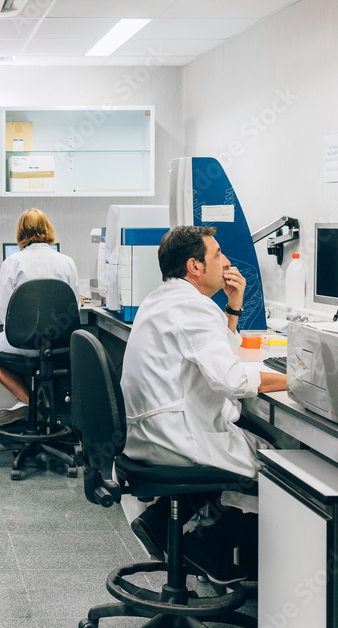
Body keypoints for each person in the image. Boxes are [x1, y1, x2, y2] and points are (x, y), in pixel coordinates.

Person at [120, 225, 287, 585]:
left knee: (244, 439)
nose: (226, 262)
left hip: (149, 434)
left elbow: (214, 351)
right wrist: (299, 380)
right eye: (218, 254)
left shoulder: (163, 299)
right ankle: (207, 543)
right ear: (194, 266)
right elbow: (232, 379)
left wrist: (233, 307)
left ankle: (161, 520)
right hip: (177, 438)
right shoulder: (193, 306)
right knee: (281, 471)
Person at [0, 209, 79, 426]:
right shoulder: (67, 262)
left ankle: (28, 401)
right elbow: (76, 308)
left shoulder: (12, 262)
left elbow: (4, 312)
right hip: (60, 345)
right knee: (37, 357)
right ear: (48, 230)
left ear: (20, 233)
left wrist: (26, 330)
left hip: (23, 344)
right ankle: (39, 407)